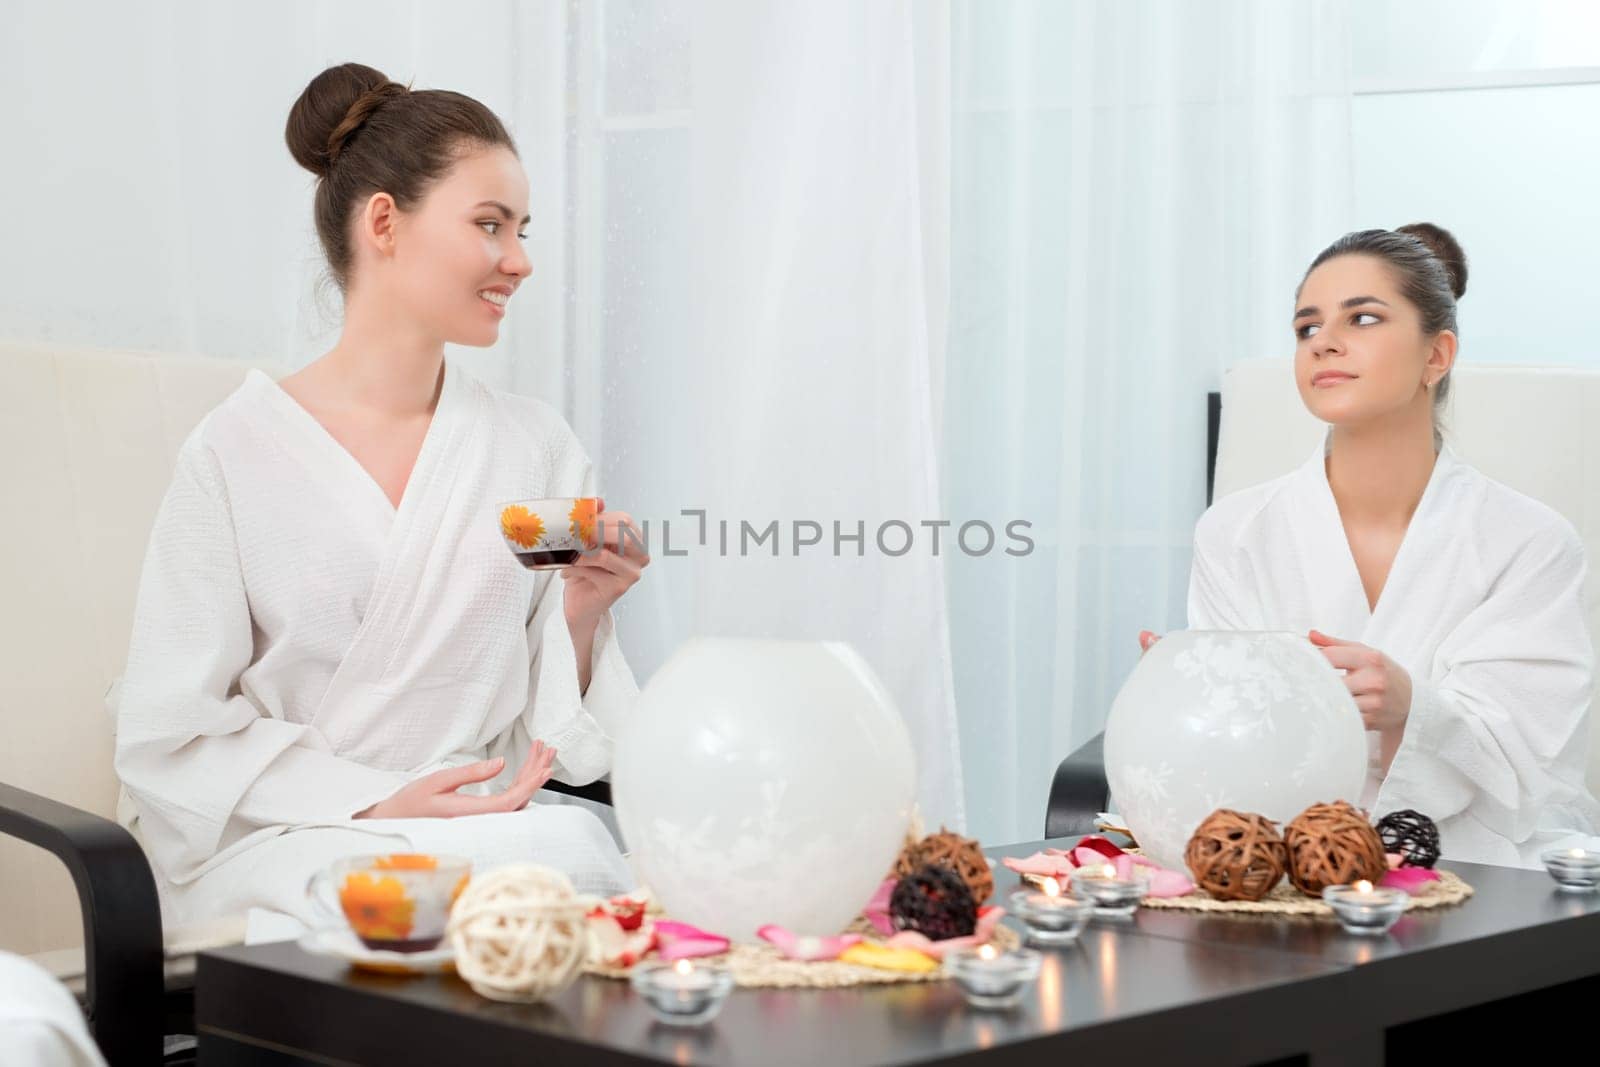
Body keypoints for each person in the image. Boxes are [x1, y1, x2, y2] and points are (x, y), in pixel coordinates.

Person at [112, 63, 650, 930]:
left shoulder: (535, 445)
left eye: (521, 230)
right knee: (427, 892)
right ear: (385, 222)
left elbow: (549, 741)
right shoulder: (231, 452)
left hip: (481, 833)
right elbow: (170, 734)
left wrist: (582, 608)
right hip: (289, 835)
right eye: (489, 224)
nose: (519, 259)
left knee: (578, 855)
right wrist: (378, 800)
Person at [1149, 223, 1599, 867]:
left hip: (1483, 861)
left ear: (1437, 356)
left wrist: (1408, 709)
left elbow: (1529, 761)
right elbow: (1231, 746)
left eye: (1361, 318)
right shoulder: (1235, 531)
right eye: (1307, 328)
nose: (1323, 343)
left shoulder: (1529, 540)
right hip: (1283, 857)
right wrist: (1182, 686)